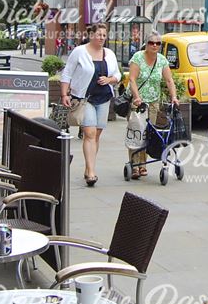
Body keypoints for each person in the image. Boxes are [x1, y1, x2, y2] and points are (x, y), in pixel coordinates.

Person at [59, 23, 121, 187]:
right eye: (99, 34)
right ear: (91, 35)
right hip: (84, 98)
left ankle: (89, 168)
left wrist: (110, 80)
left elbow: (117, 74)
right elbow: (67, 73)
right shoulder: (79, 52)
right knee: (90, 133)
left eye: (104, 35)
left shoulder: (109, 54)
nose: (101, 38)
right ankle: (92, 173)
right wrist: (64, 94)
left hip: (104, 98)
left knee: (96, 135)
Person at [126, 30, 178, 179]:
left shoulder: (162, 60)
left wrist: (174, 96)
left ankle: (143, 165)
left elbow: (169, 81)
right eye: (151, 43)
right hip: (138, 102)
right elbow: (132, 80)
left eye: (157, 43)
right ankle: (134, 164)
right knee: (137, 133)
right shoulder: (138, 57)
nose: (155, 45)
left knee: (148, 133)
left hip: (154, 102)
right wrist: (136, 97)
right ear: (146, 44)